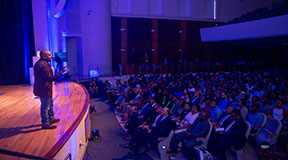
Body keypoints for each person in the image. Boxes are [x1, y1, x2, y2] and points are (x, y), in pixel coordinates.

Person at [33, 50, 67, 129]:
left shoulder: (43, 63)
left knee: (50, 104)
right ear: (43, 56)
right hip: (44, 89)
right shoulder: (43, 65)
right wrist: (61, 72)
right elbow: (50, 78)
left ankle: (51, 119)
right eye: (49, 55)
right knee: (45, 107)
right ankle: (45, 123)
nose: (51, 56)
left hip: (45, 89)